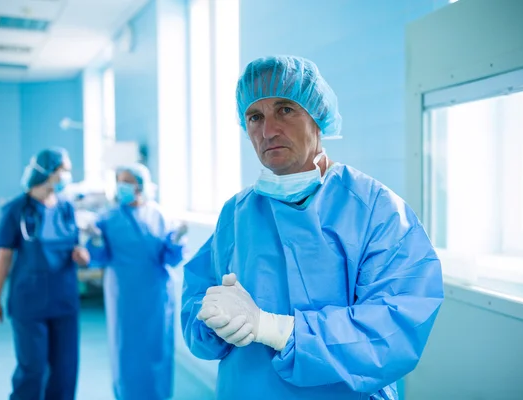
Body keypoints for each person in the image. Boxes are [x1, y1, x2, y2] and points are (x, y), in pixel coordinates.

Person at [180, 55, 444, 400]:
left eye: (285, 109)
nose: (268, 130)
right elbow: (196, 302)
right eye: (254, 117)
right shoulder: (237, 213)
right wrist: (212, 319)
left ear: (317, 116)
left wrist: (276, 330)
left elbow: (396, 326)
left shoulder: (375, 210)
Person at [0, 147, 89, 400]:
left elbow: (75, 245)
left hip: (64, 301)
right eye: (64, 169)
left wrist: (82, 256)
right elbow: (4, 257)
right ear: (49, 172)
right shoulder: (17, 209)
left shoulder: (66, 207)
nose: (67, 175)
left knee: (65, 370)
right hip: (29, 302)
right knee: (32, 368)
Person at [79, 163, 188, 400]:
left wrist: (178, 238)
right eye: (119, 181)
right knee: (125, 350)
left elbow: (170, 257)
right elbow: (98, 258)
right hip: (123, 294)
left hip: (156, 294)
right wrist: (95, 239)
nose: (122, 186)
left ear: (140, 185)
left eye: (127, 181)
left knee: (157, 349)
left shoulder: (160, 216)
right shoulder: (108, 217)